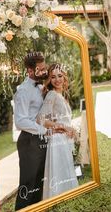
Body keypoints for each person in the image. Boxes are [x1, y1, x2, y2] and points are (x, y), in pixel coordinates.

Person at [14, 52, 62, 210]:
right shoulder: (23, 90)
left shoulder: (42, 86)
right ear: (29, 70)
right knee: (28, 182)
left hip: (41, 138)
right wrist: (43, 130)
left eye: (44, 68)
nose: (44, 72)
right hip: (29, 141)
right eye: (40, 69)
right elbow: (20, 121)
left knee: (40, 179)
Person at [37, 63, 79, 200]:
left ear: (64, 77)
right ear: (49, 79)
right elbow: (40, 119)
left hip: (64, 139)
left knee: (65, 173)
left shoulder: (62, 94)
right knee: (59, 175)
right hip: (58, 140)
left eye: (60, 76)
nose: (57, 79)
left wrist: (71, 129)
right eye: (53, 77)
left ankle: (67, 199)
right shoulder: (51, 94)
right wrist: (63, 127)